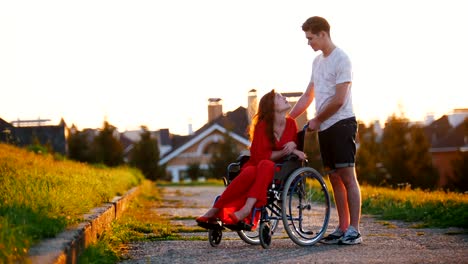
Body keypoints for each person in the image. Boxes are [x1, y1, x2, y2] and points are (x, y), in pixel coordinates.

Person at [289, 16, 362, 245]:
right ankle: (342, 228)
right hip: (325, 128)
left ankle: (354, 230)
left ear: (322, 34)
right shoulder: (317, 62)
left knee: (348, 177)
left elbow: (340, 100)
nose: (308, 42)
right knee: (335, 179)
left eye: (310, 38)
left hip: (342, 124)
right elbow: (308, 95)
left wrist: (317, 119)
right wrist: (286, 119)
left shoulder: (342, 59)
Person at [196, 90, 306, 228]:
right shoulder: (263, 126)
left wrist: (294, 147)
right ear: (272, 107)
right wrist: (285, 151)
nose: (284, 97)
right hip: (256, 165)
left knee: (265, 165)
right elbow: (260, 156)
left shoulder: (291, 124)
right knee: (251, 171)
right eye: (278, 97)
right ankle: (217, 210)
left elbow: (291, 146)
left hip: (280, 170)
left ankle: (244, 209)